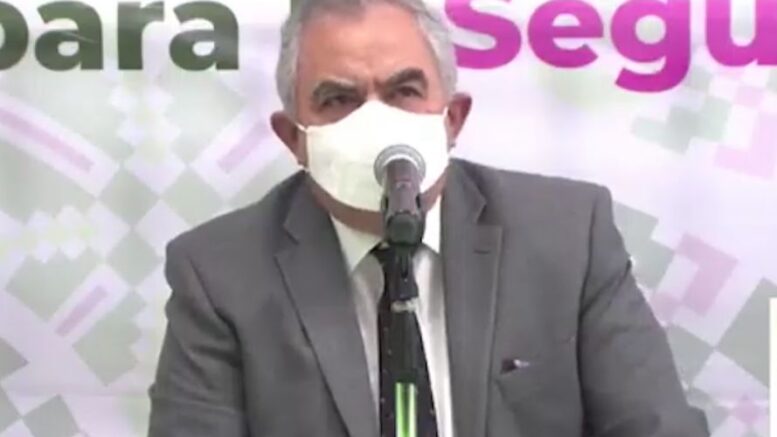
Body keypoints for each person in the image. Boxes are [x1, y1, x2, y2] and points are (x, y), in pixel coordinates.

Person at [147, 0, 709, 436]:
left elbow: (656, 427)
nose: (376, 123)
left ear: (453, 118)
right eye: (339, 100)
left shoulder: (568, 237)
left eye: (404, 91)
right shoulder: (220, 275)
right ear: (294, 138)